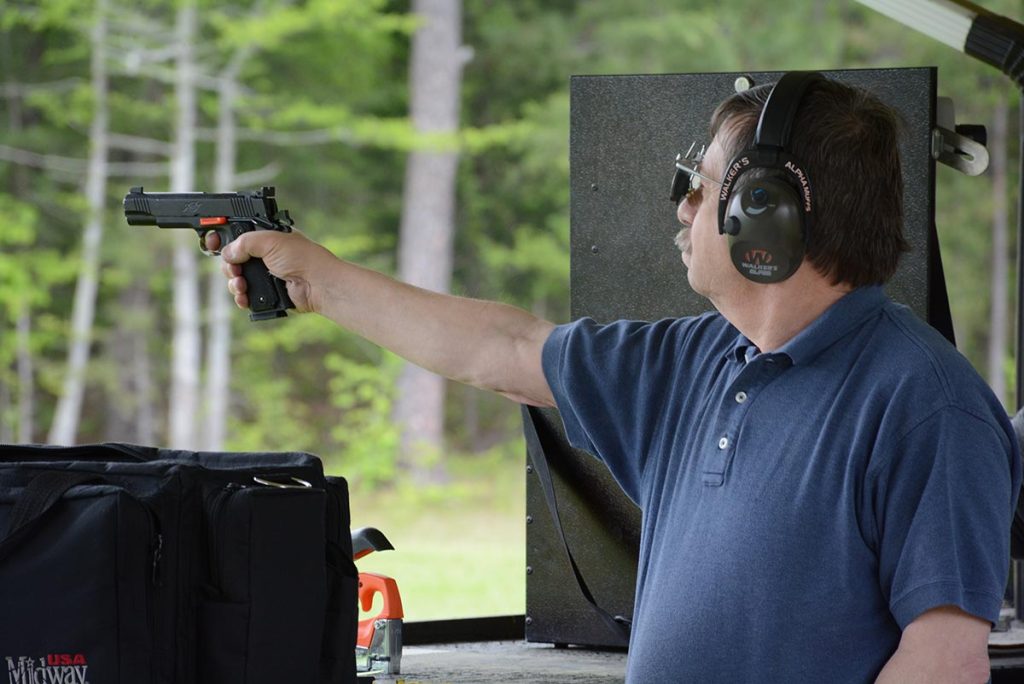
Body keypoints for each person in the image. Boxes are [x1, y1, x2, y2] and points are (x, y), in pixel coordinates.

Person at [214, 73, 1021, 682]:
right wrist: (322, 281)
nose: (680, 209)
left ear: (767, 213)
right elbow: (502, 348)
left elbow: (944, 662)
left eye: (698, 187)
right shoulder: (695, 362)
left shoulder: (928, 408)